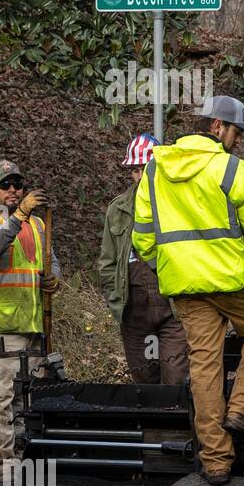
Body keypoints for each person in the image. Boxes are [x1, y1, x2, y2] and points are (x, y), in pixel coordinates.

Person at [132, 97, 244, 486]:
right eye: (236, 132)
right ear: (217, 127)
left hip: (185, 287)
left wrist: (168, 268)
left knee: (205, 366)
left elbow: (143, 237)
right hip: (234, 281)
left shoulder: (154, 171)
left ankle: (215, 462)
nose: (239, 141)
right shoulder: (232, 169)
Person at [0, 160, 60, 463]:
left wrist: (53, 277)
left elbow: (50, 260)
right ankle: (5, 466)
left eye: (17, 184)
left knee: (25, 405)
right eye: (5, 185)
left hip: (31, 329)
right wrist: (19, 214)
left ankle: (22, 462)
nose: (13, 189)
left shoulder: (37, 225)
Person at [97, 133, 189, 384]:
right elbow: (107, 262)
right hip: (134, 311)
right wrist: (116, 303)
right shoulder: (119, 209)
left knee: (176, 381)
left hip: (173, 309)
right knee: (144, 382)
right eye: (135, 170)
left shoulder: (179, 204)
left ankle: (176, 423)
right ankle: (150, 425)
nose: (139, 177)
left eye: (145, 169)